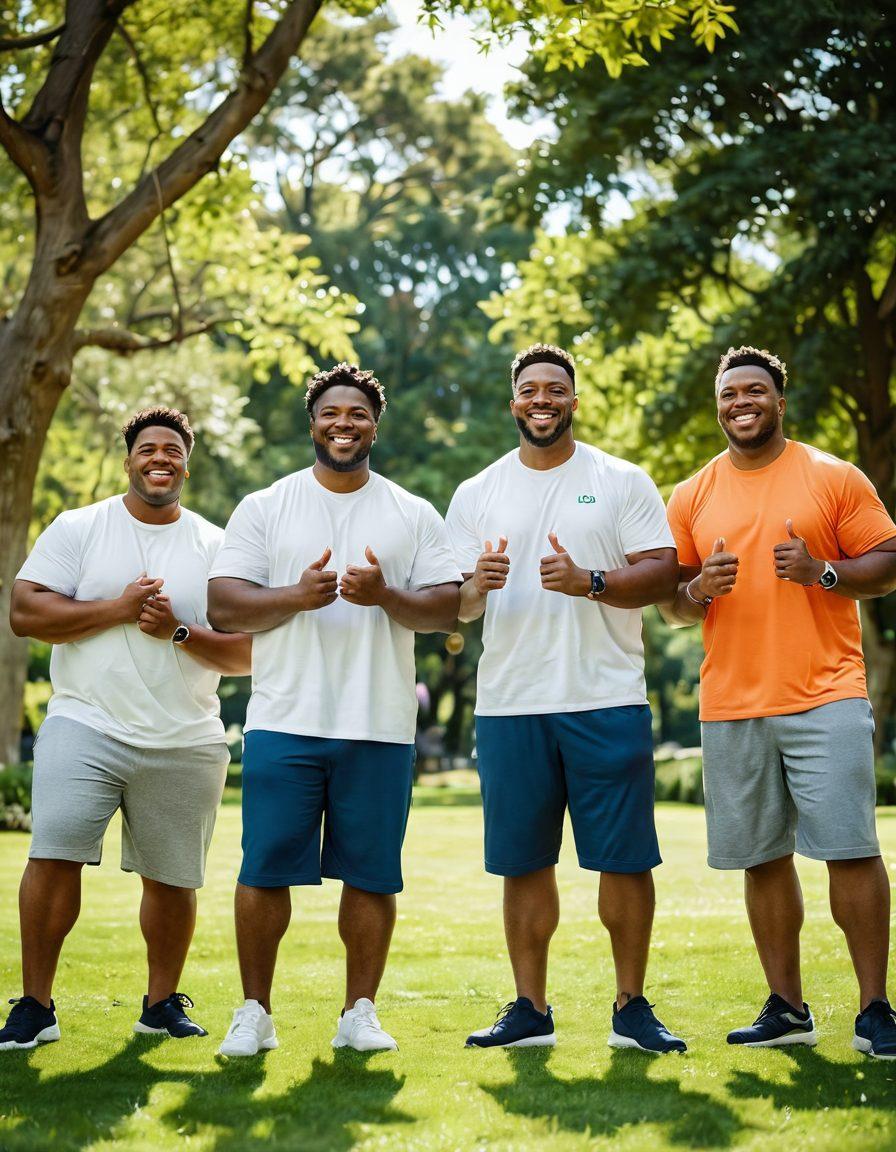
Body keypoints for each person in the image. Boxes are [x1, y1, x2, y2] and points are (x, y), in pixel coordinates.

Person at [208, 363, 461, 1057]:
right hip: (284, 721)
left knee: (371, 875)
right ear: (312, 422)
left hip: (378, 725)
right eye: (331, 412)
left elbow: (449, 606)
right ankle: (254, 1012)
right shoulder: (266, 506)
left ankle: (359, 1012)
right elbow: (223, 603)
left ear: (375, 425)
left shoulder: (411, 512)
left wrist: (385, 596)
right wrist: (294, 596)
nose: (343, 423)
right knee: (263, 871)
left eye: (357, 413)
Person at [446, 343, 686, 1053]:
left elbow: (665, 575)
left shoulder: (619, 479)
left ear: (573, 401)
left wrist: (592, 582)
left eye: (556, 388)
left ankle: (632, 1007)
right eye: (530, 389)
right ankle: (529, 1008)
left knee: (624, 858)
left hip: (604, 698)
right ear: (513, 402)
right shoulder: (476, 492)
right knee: (523, 861)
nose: (542, 398)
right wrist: (475, 586)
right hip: (510, 704)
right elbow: (456, 610)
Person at [663, 345, 896, 1059]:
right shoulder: (691, 495)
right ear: (719, 404)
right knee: (762, 858)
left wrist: (823, 571)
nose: (742, 401)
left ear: (779, 401)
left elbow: (886, 562)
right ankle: (787, 1007)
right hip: (732, 703)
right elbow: (670, 603)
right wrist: (700, 590)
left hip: (825, 694)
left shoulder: (832, 476)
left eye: (755, 390)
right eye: (730, 392)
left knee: (850, 850)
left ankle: (876, 1008)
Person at [0, 407, 251, 1051]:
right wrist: (117, 608)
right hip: (85, 721)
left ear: (186, 465)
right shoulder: (80, 528)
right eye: (148, 448)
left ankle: (160, 1004)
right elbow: (25, 612)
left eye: (172, 449)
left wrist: (177, 631)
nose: (159, 458)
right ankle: (35, 1006)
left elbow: (249, 652)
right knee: (53, 857)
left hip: (186, 736)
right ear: (129, 460)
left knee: (173, 878)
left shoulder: (217, 546)